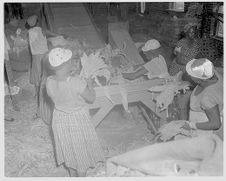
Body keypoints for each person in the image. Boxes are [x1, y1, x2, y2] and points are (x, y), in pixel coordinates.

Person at [45, 47, 105, 177]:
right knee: (81, 153)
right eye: (71, 61)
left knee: (70, 151)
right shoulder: (75, 81)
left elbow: (59, 93)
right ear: (66, 64)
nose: (73, 63)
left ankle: (72, 175)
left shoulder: (49, 81)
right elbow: (91, 98)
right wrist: (89, 84)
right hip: (76, 120)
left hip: (59, 119)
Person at [25, 14, 61, 118]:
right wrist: (59, 35)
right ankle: (45, 95)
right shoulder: (41, 30)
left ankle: (36, 93)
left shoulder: (29, 32)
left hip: (35, 57)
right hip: (43, 56)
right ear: (37, 22)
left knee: (37, 75)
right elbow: (53, 34)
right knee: (44, 75)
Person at [182, 58, 223, 140]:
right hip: (208, 113)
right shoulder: (214, 74)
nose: (189, 76)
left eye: (191, 75)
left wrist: (191, 125)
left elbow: (216, 124)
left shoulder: (206, 97)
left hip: (204, 127)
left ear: (198, 80)